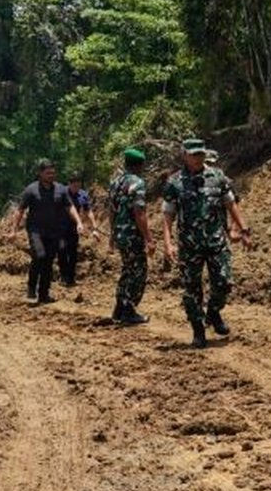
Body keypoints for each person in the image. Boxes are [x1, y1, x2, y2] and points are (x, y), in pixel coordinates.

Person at [161, 138, 252, 349]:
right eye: (193, 154)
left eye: (200, 154)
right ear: (184, 155)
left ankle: (213, 312)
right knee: (191, 289)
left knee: (223, 282)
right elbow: (168, 216)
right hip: (189, 246)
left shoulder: (218, 177)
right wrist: (168, 243)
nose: (197, 158)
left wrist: (244, 230)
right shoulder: (174, 183)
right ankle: (198, 330)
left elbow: (231, 204)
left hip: (216, 242)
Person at [10, 159, 84, 304]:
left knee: (49, 261)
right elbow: (20, 210)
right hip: (35, 231)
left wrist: (79, 222)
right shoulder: (31, 190)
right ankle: (31, 288)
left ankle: (44, 294)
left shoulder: (61, 189)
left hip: (53, 232)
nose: (51, 175)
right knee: (39, 256)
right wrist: (13, 230)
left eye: (53, 173)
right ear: (40, 173)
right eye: (48, 173)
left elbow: (70, 207)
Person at [107, 148, 153, 325]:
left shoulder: (115, 183)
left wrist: (112, 235)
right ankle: (128, 310)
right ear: (140, 165)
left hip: (120, 233)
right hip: (132, 235)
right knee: (138, 271)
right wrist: (148, 238)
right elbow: (139, 212)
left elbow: (111, 211)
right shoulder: (138, 183)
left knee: (127, 269)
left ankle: (119, 309)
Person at [58, 174, 97, 286]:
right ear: (69, 183)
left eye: (78, 183)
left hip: (73, 227)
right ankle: (63, 276)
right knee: (62, 251)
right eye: (73, 183)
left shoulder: (83, 195)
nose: (76, 186)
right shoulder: (62, 193)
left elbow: (88, 210)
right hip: (60, 227)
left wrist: (94, 227)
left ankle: (70, 277)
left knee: (73, 252)